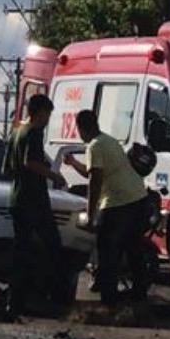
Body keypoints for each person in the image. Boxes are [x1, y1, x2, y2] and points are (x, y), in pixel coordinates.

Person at [64, 109, 150, 307]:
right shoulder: (109, 141)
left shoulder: (94, 146)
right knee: (134, 249)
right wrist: (73, 163)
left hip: (117, 204)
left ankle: (109, 302)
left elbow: (94, 181)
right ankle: (139, 297)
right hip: (138, 199)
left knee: (108, 252)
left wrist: (91, 214)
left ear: (80, 128)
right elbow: (91, 172)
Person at [0, 93, 69, 322]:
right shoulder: (34, 133)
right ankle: (41, 296)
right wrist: (53, 176)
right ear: (39, 113)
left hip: (16, 198)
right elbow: (30, 162)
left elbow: (5, 169)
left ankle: (15, 301)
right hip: (33, 200)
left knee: (22, 250)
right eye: (47, 114)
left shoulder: (16, 132)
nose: (48, 120)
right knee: (52, 245)